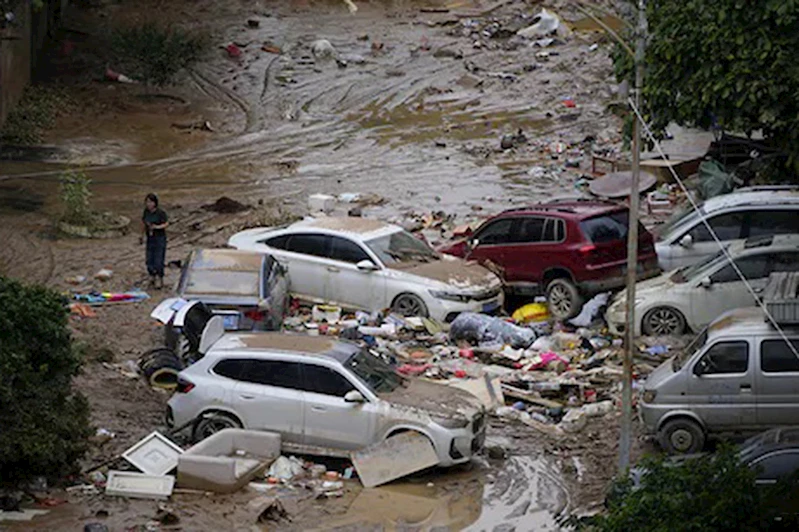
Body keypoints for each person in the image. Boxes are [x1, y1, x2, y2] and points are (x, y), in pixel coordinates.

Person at [140, 193, 168, 289]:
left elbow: (166, 224)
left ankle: (159, 278)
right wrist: (141, 236)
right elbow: (144, 224)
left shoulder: (160, 213)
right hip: (150, 238)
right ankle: (151, 275)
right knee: (149, 258)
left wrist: (157, 227)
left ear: (155, 203)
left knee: (158, 259)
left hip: (159, 238)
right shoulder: (146, 212)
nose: (148, 204)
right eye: (147, 202)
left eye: (150, 202)